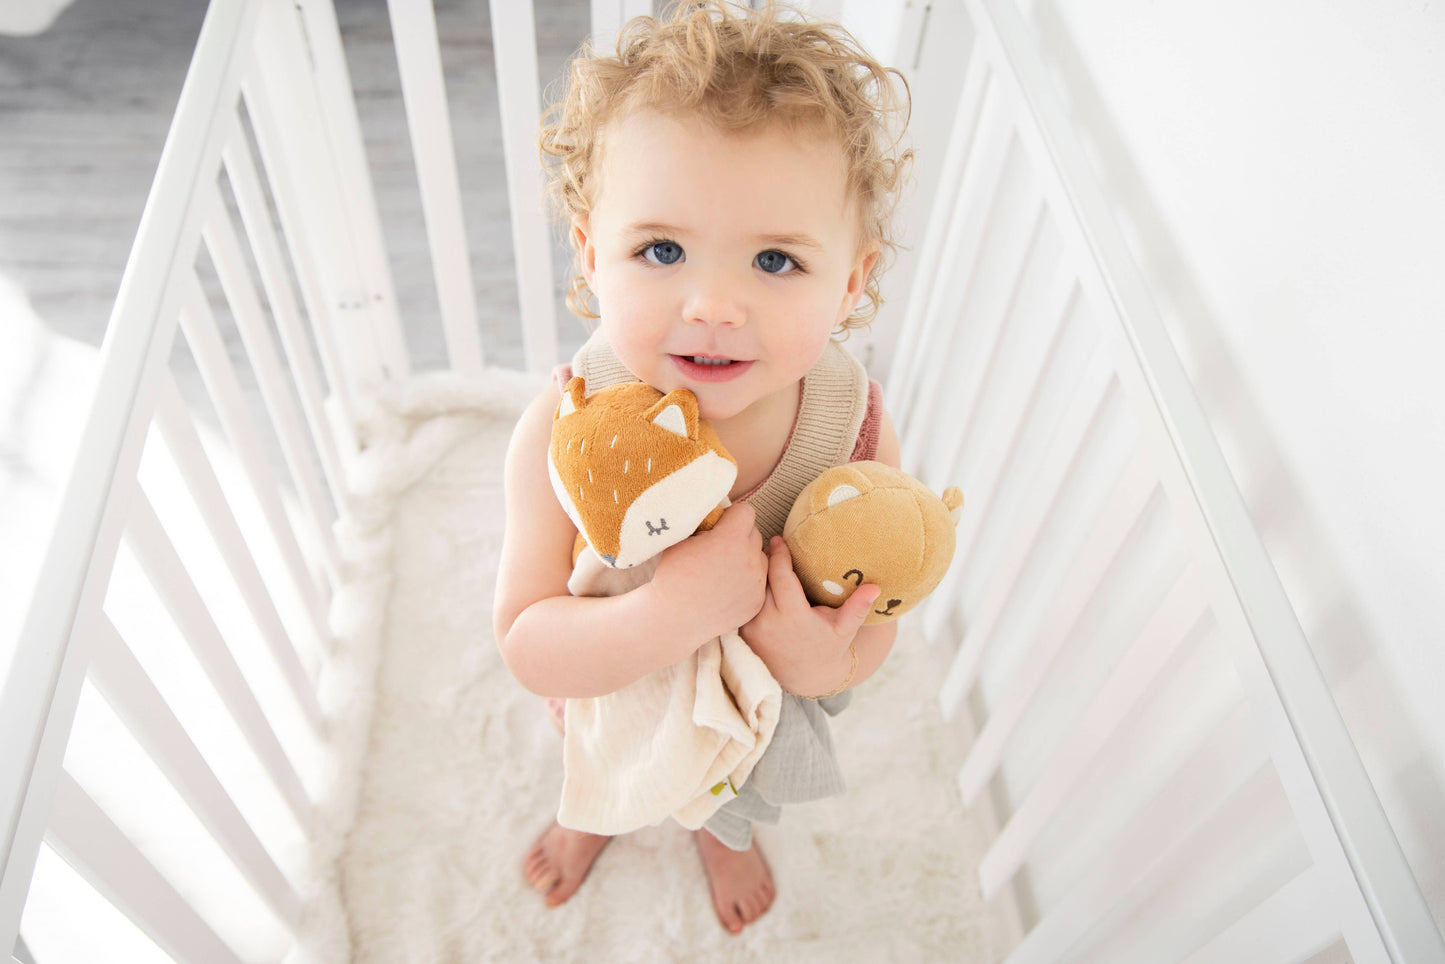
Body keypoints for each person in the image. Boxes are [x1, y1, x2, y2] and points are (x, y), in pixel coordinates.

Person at [492, 0, 911, 935]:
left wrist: (825, 658)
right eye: (662, 250)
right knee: (604, 761)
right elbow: (527, 639)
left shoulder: (855, 427)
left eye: (774, 259)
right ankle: (590, 817)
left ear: (849, 281)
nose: (715, 304)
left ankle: (719, 834)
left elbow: (880, 602)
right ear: (592, 252)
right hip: (615, 674)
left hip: (753, 704)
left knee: (727, 790)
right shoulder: (563, 432)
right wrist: (670, 613)